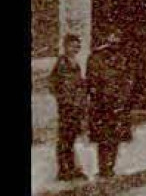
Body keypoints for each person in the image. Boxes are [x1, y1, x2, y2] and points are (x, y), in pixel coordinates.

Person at [85, 30, 135, 179]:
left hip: (118, 103)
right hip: (102, 104)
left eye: (117, 42)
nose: (114, 45)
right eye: (111, 42)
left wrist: (123, 98)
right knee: (103, 137)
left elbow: (129, 79)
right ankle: (103, 167)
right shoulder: (95, 58)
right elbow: (92, 82)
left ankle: (110, 167)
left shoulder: (122, 58)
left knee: (115, 136)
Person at [49, 33, 90, 182]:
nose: (76, 48)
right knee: (65, 138)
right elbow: (53, 84)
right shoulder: (62, 63)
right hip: (67, 107)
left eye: (78, 45)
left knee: (71, 138)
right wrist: (64, 99)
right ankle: (63, 170)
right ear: (66, 47)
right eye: (73, 45)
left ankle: (71, 168)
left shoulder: (75, 63)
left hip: (76, 106)